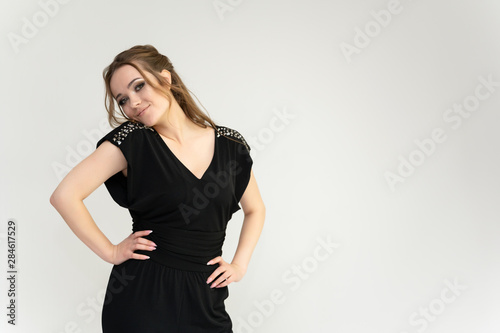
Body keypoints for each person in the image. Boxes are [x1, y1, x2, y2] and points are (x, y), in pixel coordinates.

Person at [49, 44, 266, 332]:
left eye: (139, 87)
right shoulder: (133, 140)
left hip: (206, 298)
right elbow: (64, 195)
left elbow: (255, 209)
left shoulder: (231, 145)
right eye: (122, 99)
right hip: (142, 295)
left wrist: (239, 265)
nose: (132, 103)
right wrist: (111, 252)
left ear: (166, 79)